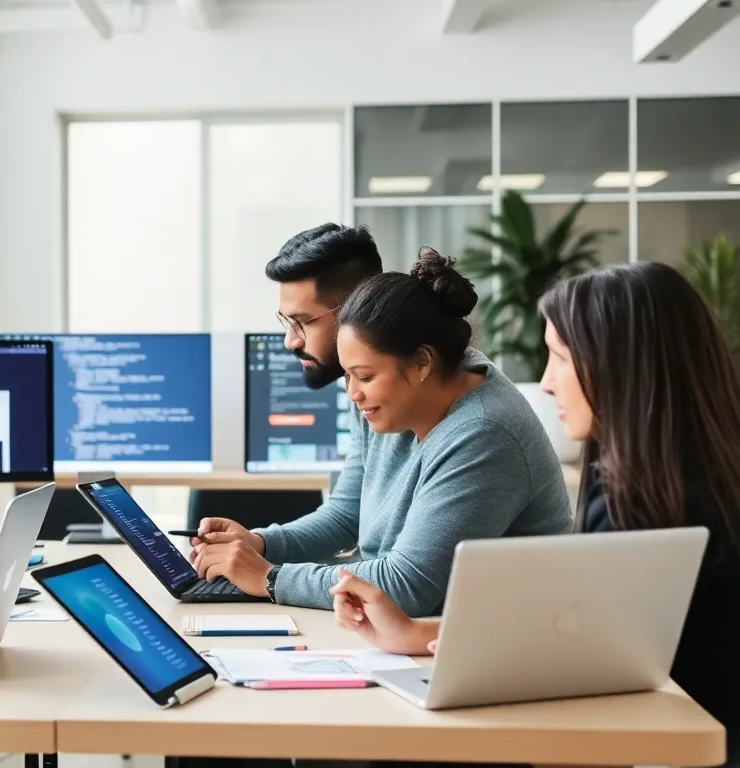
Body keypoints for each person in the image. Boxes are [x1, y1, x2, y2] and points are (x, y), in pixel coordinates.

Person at [330, 261, 740, 765]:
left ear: (624, 366)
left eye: (561, 358)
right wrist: (416, 634)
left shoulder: (657, 500)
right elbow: (587, 631)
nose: (545, 383)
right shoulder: (659, 478)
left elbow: (595, 662)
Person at [192, 243, 570, 616]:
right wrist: (260, 544)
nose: (353, 393)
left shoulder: (483, 432)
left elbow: (407, 585)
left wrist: (269, 578)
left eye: (364, 376)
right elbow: (347, 514)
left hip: (489, 642)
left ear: (422, 363)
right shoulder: (399, 389)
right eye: (349, 375)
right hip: (409, 630)